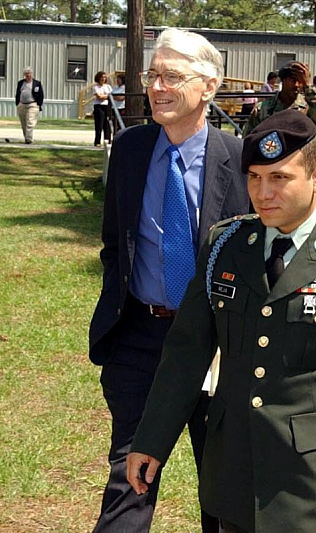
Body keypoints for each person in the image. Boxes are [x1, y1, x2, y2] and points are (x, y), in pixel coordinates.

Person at [126, 109, 316, 533]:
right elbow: (186, 351)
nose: (263, 193)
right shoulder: (225, 244)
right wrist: (152, 439)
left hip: (313, 480)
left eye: (279, 178)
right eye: (255, 178)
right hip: (234, 470)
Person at [89, 28, 249, 533]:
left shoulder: (243, 159)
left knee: (223, 491)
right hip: (140, 339)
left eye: (172, 76)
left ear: (209, 86)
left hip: (218, 345)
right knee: (129, 480)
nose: (157, 87)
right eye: (152, 75)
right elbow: (115, 243)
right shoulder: (132, 149)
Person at [242, 61, 316, 136]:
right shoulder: (263, 108)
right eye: (293, 80)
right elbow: (248, 138)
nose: (297, 85)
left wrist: (308, 86)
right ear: (283, 80)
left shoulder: (309, 106)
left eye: (300, 81)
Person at [14, 67, 43, 144]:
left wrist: (39, 104)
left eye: (29, 74)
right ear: (24, 75)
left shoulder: (37, 83)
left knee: (30, 122)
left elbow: (41, 95)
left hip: (33, 104)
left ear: (31, 74)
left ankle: (29, 139)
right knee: (24, 123)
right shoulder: (21, 83)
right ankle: (26, 137)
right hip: (22, 105)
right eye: (26, 74)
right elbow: (17, 93)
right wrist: (17, 103)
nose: (28, 75)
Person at [92, 71, 113, 145]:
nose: (103, 79)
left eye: (104, 77)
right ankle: (97, 141)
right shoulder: (96, 87)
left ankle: (106, 141)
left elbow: (111, 96)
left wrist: (105, 96)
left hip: (107, 106)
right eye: (101, 77)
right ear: (98, 78)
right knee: (99, 124)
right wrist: (106, 96)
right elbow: (99, 97)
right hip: (98, 107)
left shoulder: (108, 87)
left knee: (107, 124)